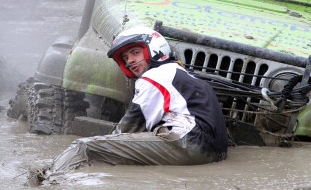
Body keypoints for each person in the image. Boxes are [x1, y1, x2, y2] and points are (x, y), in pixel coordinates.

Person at [46, 26, 228, 174]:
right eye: (125, 58)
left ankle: (45, 179)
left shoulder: (152, 77)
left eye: (135, 53)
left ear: (155, 49)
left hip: (188, 144)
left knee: (83, 147)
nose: (130, 61)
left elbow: (126, 129)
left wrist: (102, 145)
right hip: (215, 152)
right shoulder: (183, 74)